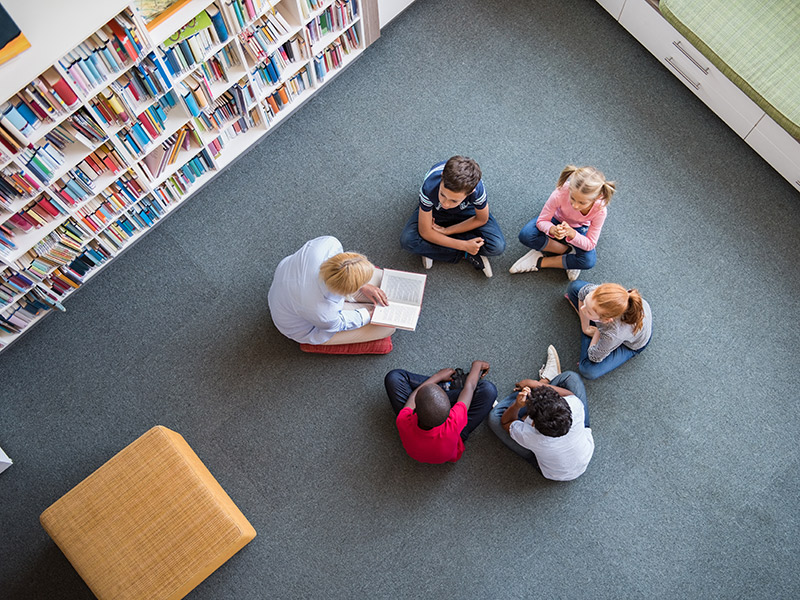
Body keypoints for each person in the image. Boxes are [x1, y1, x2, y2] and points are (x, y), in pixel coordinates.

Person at [487, 347, 594, 481]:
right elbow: (569, 395)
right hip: (583, 456)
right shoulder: (574, 405)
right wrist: (536, 384)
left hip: (551, 471)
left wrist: (517, 405)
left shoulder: (531, 437)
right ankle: (542, 385)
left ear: (532, 422)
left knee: (495, 418)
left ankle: (534, 390)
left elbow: (505, 422)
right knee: (570, 378)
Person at [268, 236, 395, 345]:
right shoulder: (323, 313)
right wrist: (369, 315)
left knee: (381, 282)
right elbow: (340, 323)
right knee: (387, 329)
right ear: (347, 290)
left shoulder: (328, 244)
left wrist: (363, 285)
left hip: (290, 284)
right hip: (305, 323)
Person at [400, 156, 506, 278]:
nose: (446, 204)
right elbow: (425, 232)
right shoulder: (429, 187)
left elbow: (481, 219)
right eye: (442, 195)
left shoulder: (477, 190)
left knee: (497, 246)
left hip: (466, 210)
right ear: (441, 179)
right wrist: (464, 246)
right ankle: (466, 253)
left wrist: (446, 231)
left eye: (453, 200)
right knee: (408, 240)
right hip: (435, 210)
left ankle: (433, 248)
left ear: (470, 192)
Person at [509, 165, 615, 281]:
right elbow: (542, 220)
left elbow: (590, 244)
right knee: (526, 235)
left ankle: (539, 261)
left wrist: (573, 234)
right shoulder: (560, 192)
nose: (575, 205)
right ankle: (568, 252)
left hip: (579, 229)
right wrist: (552, 229)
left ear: (597, 197)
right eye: (572, 198)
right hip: (556, 219)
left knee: (588, 261)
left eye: (582, 203)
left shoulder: (600, 210)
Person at [384, 360, 497, 464]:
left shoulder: (403, 419)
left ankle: (441, 387)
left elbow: (414, 396)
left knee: (394, 377)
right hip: (455, 436)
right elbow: (470, 387)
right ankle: (446, 388)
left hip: (420, 444)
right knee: (488, 390)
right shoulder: (454, 420)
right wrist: (477, 365)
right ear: (450, 411)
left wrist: (438, 376)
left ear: (415, 410)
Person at [566, 280, 652, 379]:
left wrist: (599, 332)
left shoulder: (612, 334)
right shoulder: (594, 292)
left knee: (587, 370)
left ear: (607, 320)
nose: (582, 309)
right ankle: (592, 324)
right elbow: (582, 294)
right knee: (574, 287)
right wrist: (585, 328)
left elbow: (594, 356)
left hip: (634, 343)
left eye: (588, 311)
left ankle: (595, 330)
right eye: (585, 303)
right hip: (615, 325)